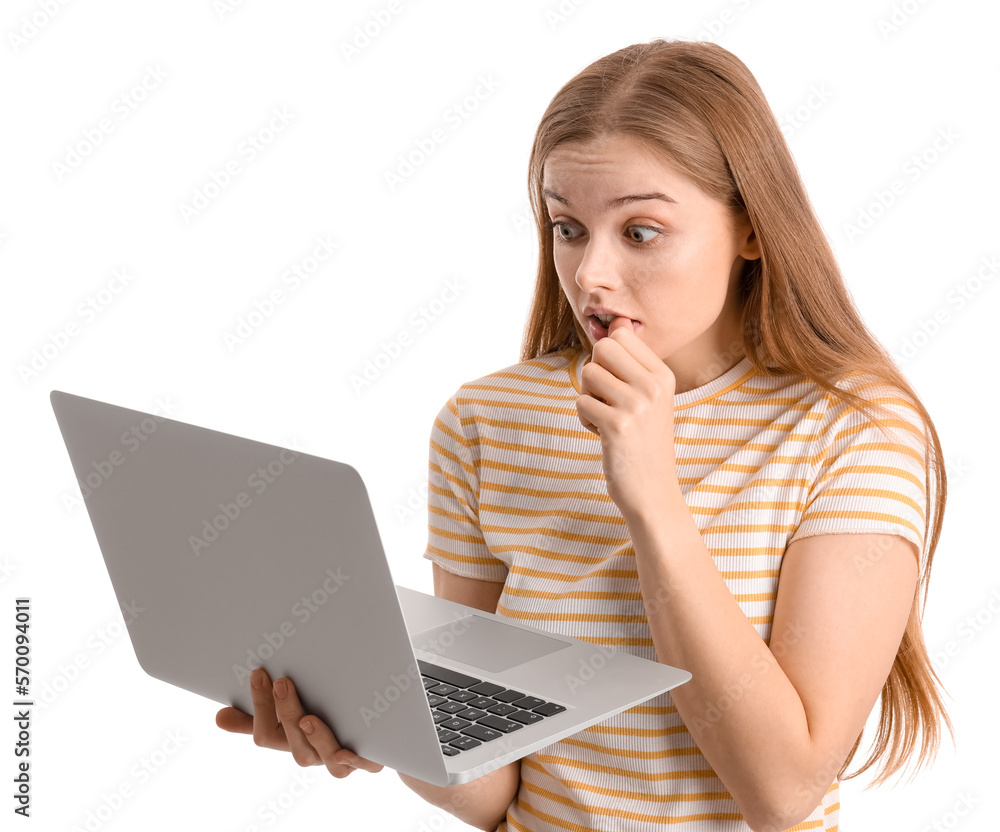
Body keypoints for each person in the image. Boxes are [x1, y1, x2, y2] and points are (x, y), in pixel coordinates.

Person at [216, 38, 952, 831]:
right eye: (568, 228)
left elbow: (784, 792)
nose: (591, 275)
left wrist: (653, 501)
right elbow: (494, 787)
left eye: (640, 232)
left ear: (751, 229)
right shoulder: (486, 424)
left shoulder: (853, 431)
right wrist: (379, 724)